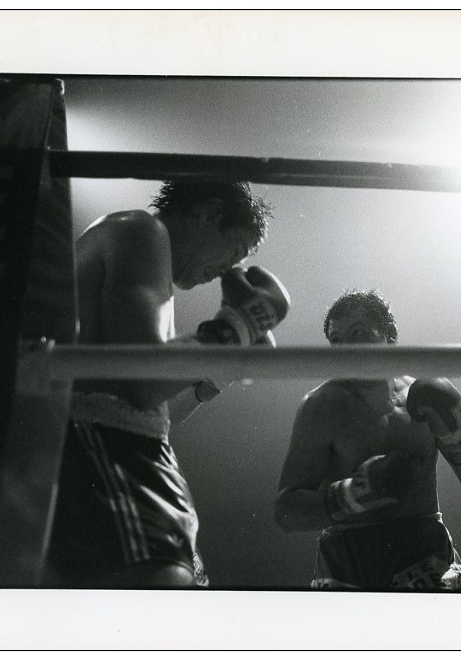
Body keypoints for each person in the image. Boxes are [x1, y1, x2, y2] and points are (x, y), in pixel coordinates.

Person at [46, 180, 290, 588]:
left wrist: (215, 375)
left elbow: (148, 410)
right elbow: (142, 379)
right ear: (210, 213)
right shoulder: (142, 231)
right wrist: (236, 328)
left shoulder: (149, 261)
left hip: (124, 449)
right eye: (234, 252)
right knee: (162, 598)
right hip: (106, 451)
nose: (226, 272)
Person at [274, 289, 461, 590]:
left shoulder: (424, 397)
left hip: (424, 554)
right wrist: (355, 493)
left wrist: (457, 433)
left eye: (358, 333)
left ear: (389, 336)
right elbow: (286, 512)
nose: (346, 348)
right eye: (337, 340)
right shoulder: (321, 408)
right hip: (350, 560)